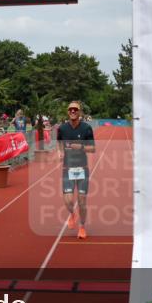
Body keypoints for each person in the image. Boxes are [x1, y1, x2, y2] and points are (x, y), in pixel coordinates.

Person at [56, 101, 95, 239]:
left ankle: (82, 227)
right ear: (68, 112)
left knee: (82, 201)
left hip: (82, 169)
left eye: (75, 110)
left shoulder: (86, 128)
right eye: (70, 110)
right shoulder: (62, 129)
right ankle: (72, 214)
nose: (73, 111)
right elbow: (59, 142)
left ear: (79, 112)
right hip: (67, 168)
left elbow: (93, 148)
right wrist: (60, 152)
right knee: (67, 201)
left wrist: (81, 147)